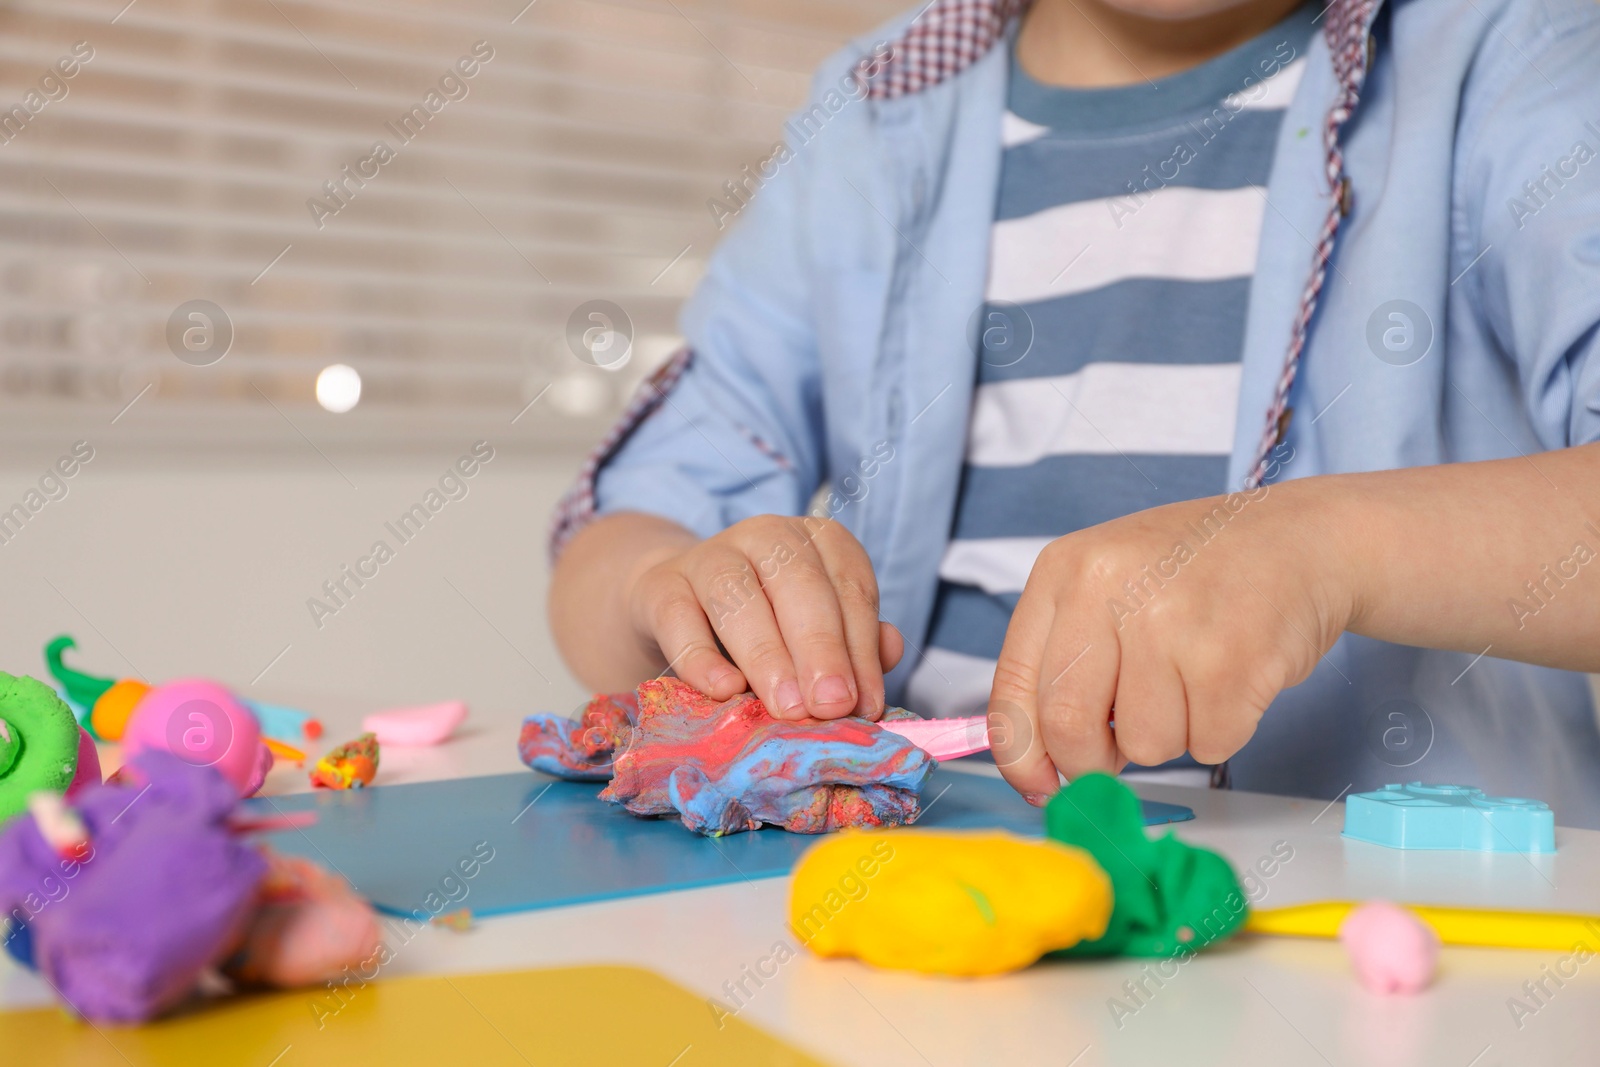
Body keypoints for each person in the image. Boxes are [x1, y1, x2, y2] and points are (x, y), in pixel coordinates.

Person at [548, 0, 1600, 824]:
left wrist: (1329, 549)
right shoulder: (871, 115)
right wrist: (668, 586)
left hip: (1383, 940)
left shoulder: (1516, 52)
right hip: (919, 919)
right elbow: (617, 547)